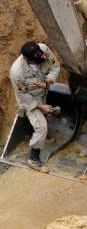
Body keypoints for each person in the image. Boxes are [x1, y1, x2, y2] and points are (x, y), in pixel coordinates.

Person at [9, 41, 60, 172]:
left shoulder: (43, 50)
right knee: (41, 126)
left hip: (43, 91)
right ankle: (34, 159)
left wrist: (48, 81)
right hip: (30, 99)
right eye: (36, 61)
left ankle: (42, 136)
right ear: (26, 58)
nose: (40, 61)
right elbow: (23, 96)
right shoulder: (17, 72)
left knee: (44, 118)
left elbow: (55, 67)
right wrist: (40, 107)